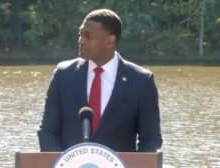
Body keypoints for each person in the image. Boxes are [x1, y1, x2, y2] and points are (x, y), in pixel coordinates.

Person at [37, 9, 162, 152]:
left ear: (110, 41)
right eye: (80, 34)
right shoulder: (63, 74)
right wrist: (62, 164)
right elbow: (47, 131)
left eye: (88, 36)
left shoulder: (141, 81)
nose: (81, 41)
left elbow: (151, 140)